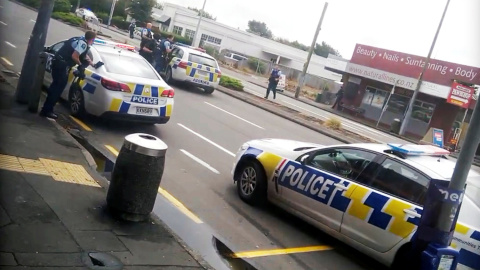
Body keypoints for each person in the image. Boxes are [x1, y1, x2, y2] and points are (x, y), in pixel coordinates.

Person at [40, 31, 99, 119]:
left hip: (57, 63)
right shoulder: (83, 44)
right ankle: (47, 110)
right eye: (93, 40)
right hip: (62, 65)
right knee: (57, 89)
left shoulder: (79, 39)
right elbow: (75, 56)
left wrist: (92, 64)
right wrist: (80, 65)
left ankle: (46, 108)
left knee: (55, 87)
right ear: (91, 39)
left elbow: (84, 54)